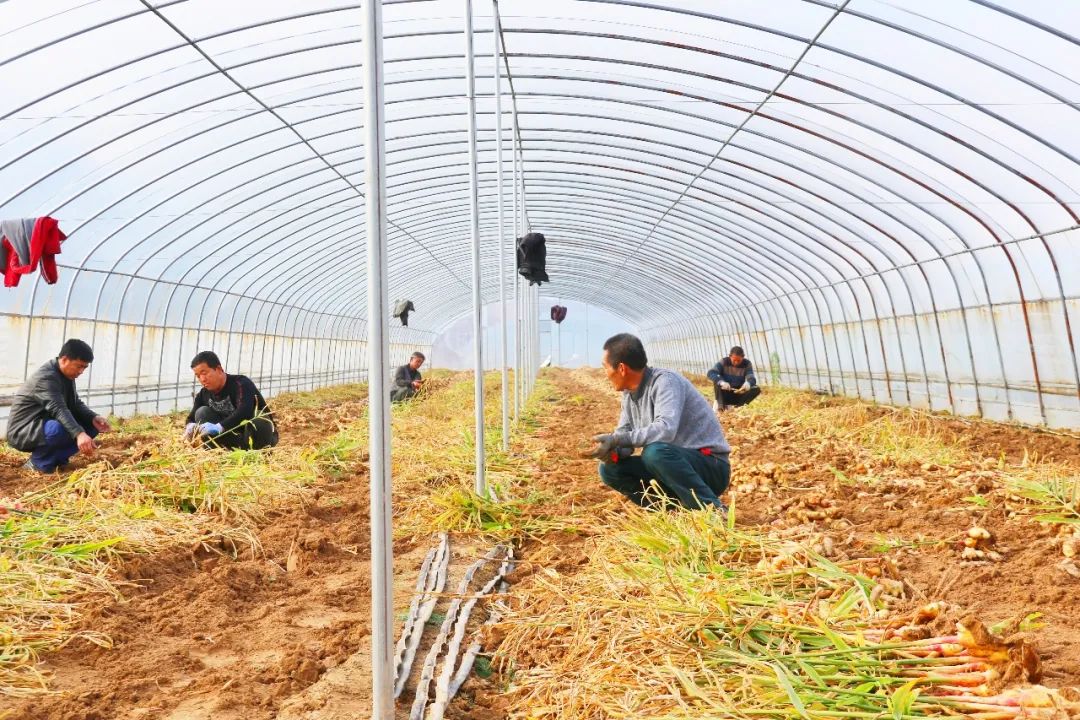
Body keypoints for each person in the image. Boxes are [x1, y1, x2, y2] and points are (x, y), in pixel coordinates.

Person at [585, 333, 730, 511]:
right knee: (609, 470)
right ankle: (671, 511)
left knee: (654, 452)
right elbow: (625, 438)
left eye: (605, 367)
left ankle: (712, 509)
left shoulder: (665, 382)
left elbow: (665, 429)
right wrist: (612, 451)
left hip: (710, 466)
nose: (605, 374)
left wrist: (617, 439)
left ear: (621, 368)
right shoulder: (629, 396)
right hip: (671, 469)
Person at [5, 339, 111, 473]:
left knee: (92, 425)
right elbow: (58, 409)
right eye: (79, 366)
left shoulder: (66, 375)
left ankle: (56, 460)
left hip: (43, 424)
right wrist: (79, 433)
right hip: (23, 431)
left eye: (84, 367)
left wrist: (93, 417)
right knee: (61, 429)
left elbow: (75, 403)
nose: (81, 371)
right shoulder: (46, 378)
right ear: (65, 359)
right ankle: (37, 464)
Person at [184, 351, 278, 450]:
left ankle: (259, 455)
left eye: (204, 373)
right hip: (232, 438)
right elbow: (191, 418)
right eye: (198, 376)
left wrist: (219, 427)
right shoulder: (204, 393)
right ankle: (217, 452)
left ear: (219, 369)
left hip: (254, 435)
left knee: (259, 418)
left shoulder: (241, 383)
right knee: (201, 412)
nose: (202, 379)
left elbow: (244, 410)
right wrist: (190, 426)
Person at [707, 345, 761, 412]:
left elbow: (751, 378)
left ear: (743, 357)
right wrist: (722, 382)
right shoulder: (724, 361)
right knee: (717, 382)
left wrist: (748, 384)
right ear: (730, 356)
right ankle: (721, 408)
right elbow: (711, 372)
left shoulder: (747, 364)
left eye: (739, 360)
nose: (736, 362)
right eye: (734, 360)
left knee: (756, 389)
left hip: (738, 393)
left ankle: (738, 408)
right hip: (725, 392)